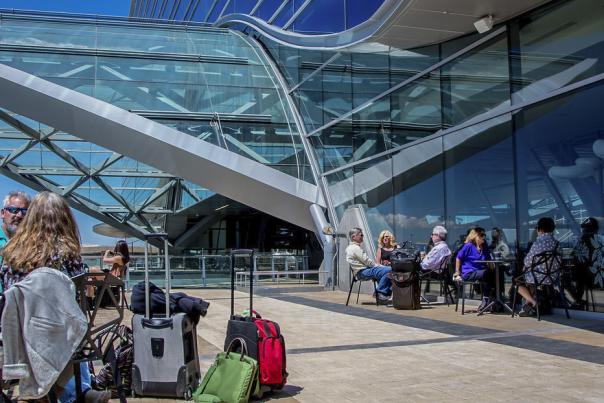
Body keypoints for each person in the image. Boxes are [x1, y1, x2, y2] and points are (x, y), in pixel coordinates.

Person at [1, 191, 111, 403]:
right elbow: (76, 304)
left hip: (16, 336)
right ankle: (50, 396)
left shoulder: (11, 253)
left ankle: (41, 396)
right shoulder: (67, 255)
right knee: (78, 337)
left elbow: (9, 295)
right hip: (53, 336)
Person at [516, 217, 561, 317]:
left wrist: (525, 266)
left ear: (540, 229)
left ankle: (534, 303)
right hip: (553, 278)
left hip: (538, 278)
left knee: (517, 282)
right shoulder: (557, 243)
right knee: (527, 283)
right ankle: (529, 305)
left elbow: (527, 261)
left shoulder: (538, 243)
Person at [345, 227, 392, 304]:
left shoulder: (350, 248)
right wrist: (380, 266)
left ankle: (382, 295)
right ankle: (380, 293)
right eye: (361, 235)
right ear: (354, 237)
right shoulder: (355, 248)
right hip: (363, 272)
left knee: (387, 272)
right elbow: (368, 262)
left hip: (361, 271)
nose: (363, 236)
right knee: (389, 270)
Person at [454, 227, 494, 311]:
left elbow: (488, 259)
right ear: (475, 236)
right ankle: (486, 299)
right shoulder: (468, 246)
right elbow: (458, 258)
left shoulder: (484, 246)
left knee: (497, 273)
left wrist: (493, 267)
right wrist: (457, 272)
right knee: (487, 274)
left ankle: (495, 299)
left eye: (484, 235)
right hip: (469, 272)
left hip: (481, 272)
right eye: (481, 235)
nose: (483, 237)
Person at [570, 217, 602, 307]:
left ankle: (578, 300)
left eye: (585, 228)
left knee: (573, 275)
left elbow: (574, 256)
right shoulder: (600, 240)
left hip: (587, 279)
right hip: (597, 279)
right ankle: (578, 300)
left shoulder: (582, 240)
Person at [0, 190, 31, 259]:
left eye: (24, 212)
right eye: (14, 210)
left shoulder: (29, 246)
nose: (19, 215)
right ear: (2, 213)